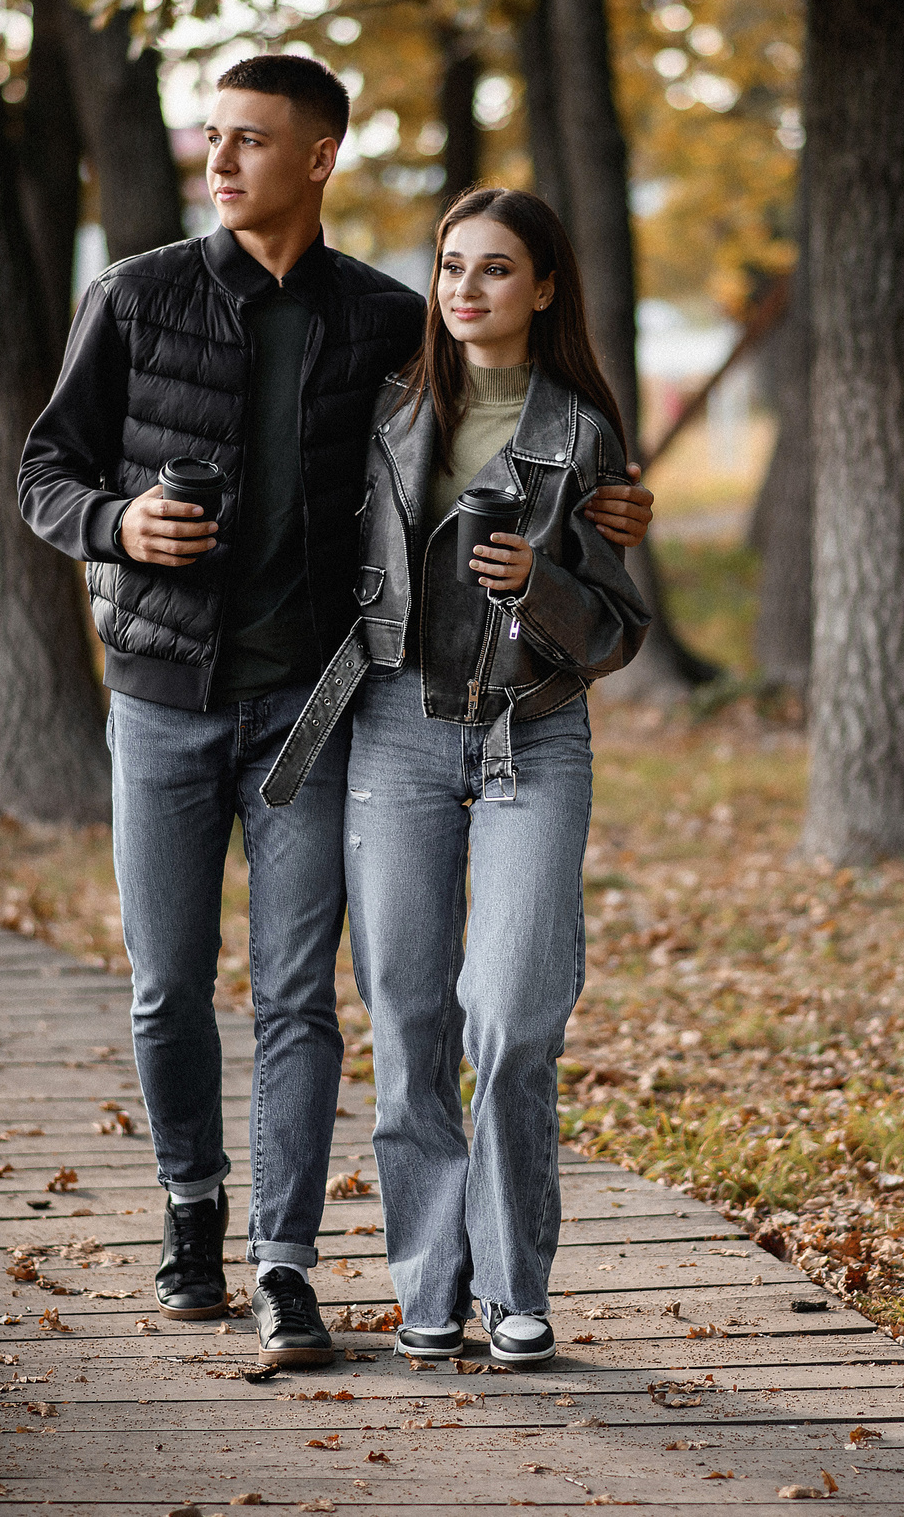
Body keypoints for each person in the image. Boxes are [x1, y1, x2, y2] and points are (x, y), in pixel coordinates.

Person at [17, 60, 653, 1368]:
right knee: (185, 988)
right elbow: (45, 468)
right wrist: (117, 524)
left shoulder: (386, 325)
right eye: (212, 136)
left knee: (331, 997)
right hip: (204, 705)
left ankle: (296, 1264)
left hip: (343, 715)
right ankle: (210, 1208)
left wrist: (587, 534)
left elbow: (552, 516)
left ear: (319, 157)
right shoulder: (144, 298)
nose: (219, 159)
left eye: (250, 139)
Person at [262, 186, 652, 1367]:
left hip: (533, 732)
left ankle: (515, 1285)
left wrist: (543, 581)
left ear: (544, 287)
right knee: (409, 1012)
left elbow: (617, 629)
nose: (466, 289)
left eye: (495, 268)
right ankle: (431, 1282)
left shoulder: (581, 435)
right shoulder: (384, 409)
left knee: (514, 1012)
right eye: (450, 267)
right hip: (393, 728)